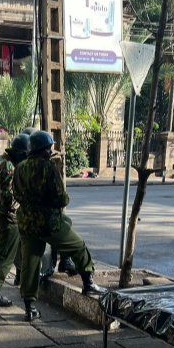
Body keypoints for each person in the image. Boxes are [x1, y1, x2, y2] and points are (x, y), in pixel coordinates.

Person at [14, 130, 105, 321]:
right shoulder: (48, 168)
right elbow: (60, 199)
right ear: (43, 150)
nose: (51, 151)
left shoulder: (20, 167)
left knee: (30, 262)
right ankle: (88, 282)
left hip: (26, 222)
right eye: (49, 148)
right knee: (77, 246)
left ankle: (29, 307)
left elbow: (17, 195)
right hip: (48, 222)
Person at [19, 127, 78, 279]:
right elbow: (59, 198)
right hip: (38, 217)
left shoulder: (21, 164)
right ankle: (65, 260)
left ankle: (24, 275)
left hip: (24, 216)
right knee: (61, 227)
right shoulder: (42, 166)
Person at [0, 133, 30, 307]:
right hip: (8, 218)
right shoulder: (9, 167)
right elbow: (10, 200)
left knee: (18, 249)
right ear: (19, 154)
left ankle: (20, 277)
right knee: (4, 256)